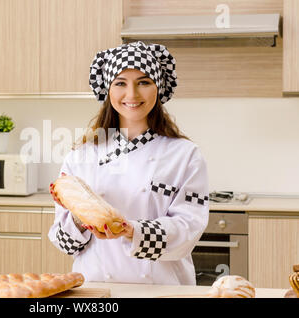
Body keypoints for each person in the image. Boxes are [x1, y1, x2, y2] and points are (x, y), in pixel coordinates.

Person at [48, 41, 209, 285]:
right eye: (120, 83)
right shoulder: (81, 156)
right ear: (108, 90)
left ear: (158, 88)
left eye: (143, 82)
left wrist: (132, 230)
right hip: (97, 289)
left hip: (162, 289)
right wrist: (81, 217)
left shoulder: (185, 155)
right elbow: (64, 243)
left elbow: (189, 231)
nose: (132, 95)